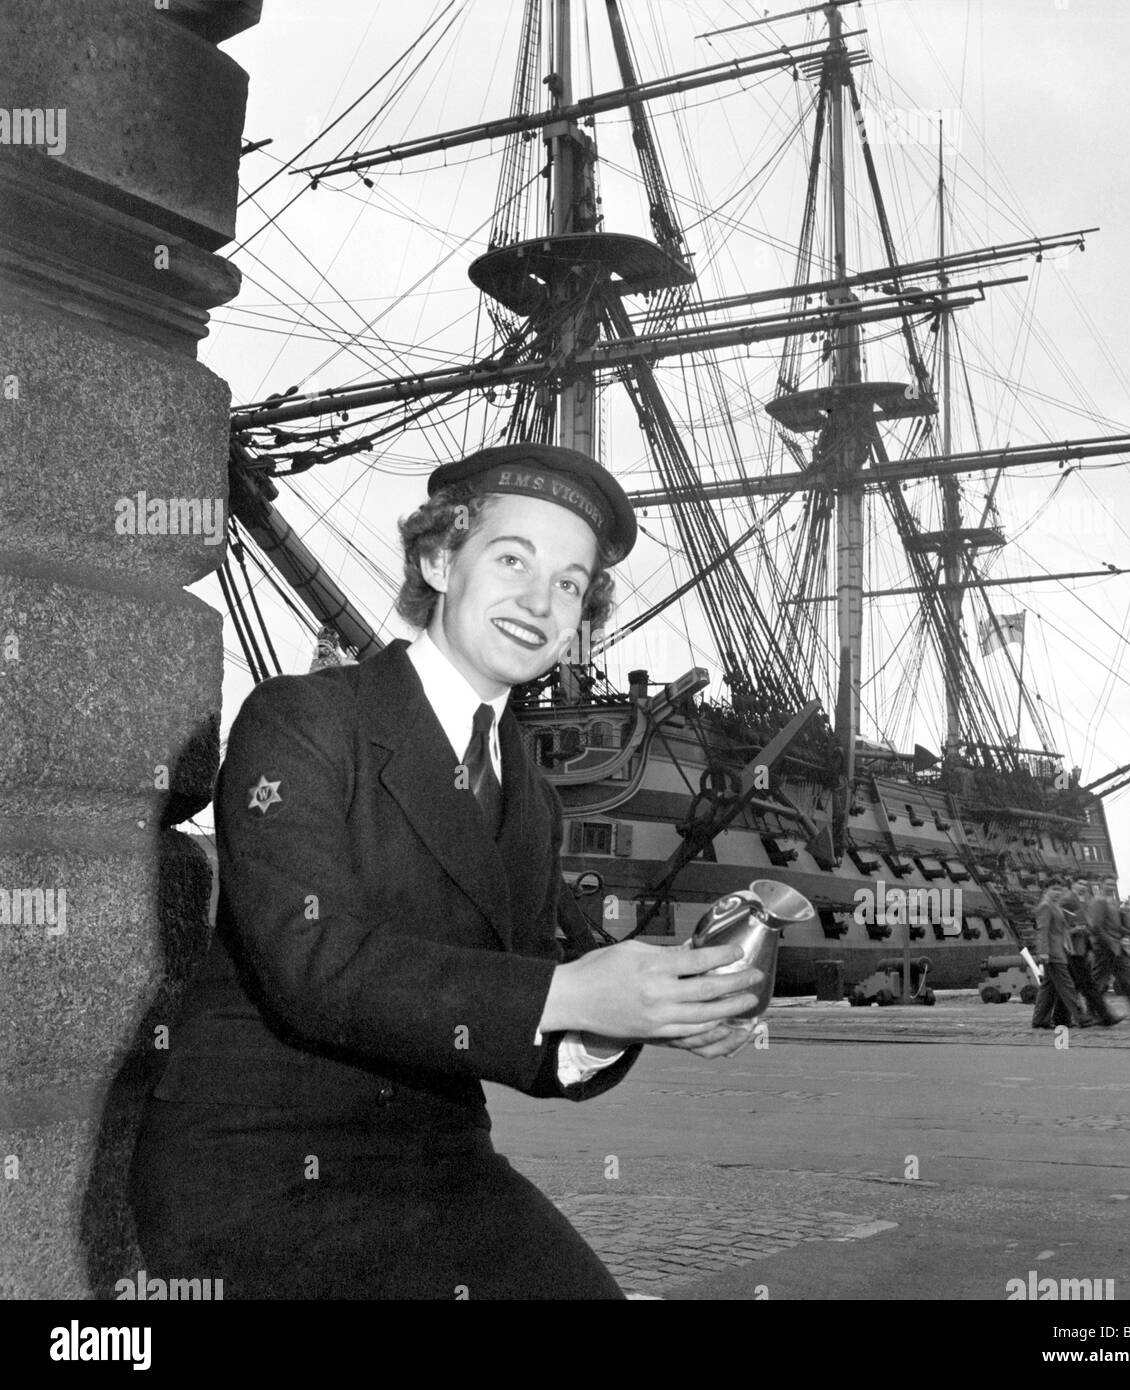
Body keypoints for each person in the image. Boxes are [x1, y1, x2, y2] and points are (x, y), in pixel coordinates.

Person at [129, 442, 764, 1300]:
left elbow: (530, 1022)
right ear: (437, 559)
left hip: (439, 1162)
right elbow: (312, 963)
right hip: (258, 1161)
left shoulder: (530, 796)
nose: (541, 603)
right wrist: (572, 996)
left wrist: (642, 1011)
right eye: (512, 560)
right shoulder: (302, 718)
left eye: (571, 585)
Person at [1086, 884, 1130, 1023]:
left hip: (1117, 948)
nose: (1111, 886)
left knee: (1129, 979)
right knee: (1099, 982)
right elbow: (1095, 926)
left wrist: (1123, 931)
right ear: (1102, 883)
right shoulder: (1099, 902)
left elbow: (1113, 924)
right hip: (1104, 949)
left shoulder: (1111, 902)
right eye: (1108, 883)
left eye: (1113, 883)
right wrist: (1108, 941)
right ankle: (1093, 1013)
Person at [1030, 881, 1091, 1030]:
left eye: (1059, 890)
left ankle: (1040, 1020)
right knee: (1067, 986)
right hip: (1052, 954)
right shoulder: (1046, 906)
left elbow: (1061, 930)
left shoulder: (1055, 905)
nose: (1057, 893)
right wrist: (1043, 952)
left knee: (1048, 989)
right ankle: (1081, 1017)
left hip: (1058, 951)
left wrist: (1068, 945)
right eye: (1054, 889)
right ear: (1046, 890)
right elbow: (1042, 930)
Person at [1067, 880, 1119, 1026]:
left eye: (1085, 883)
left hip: (1082, 948)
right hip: (1071, 949)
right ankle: (1102, 1016)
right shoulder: (1067, 900)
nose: (1083, 886)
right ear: (1073, 885)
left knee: (1075, 985)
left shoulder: (1086, 901)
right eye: (1080, 883)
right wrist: (1074, 930)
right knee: (1085, 985)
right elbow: (1059, 924)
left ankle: (1058, 1018)